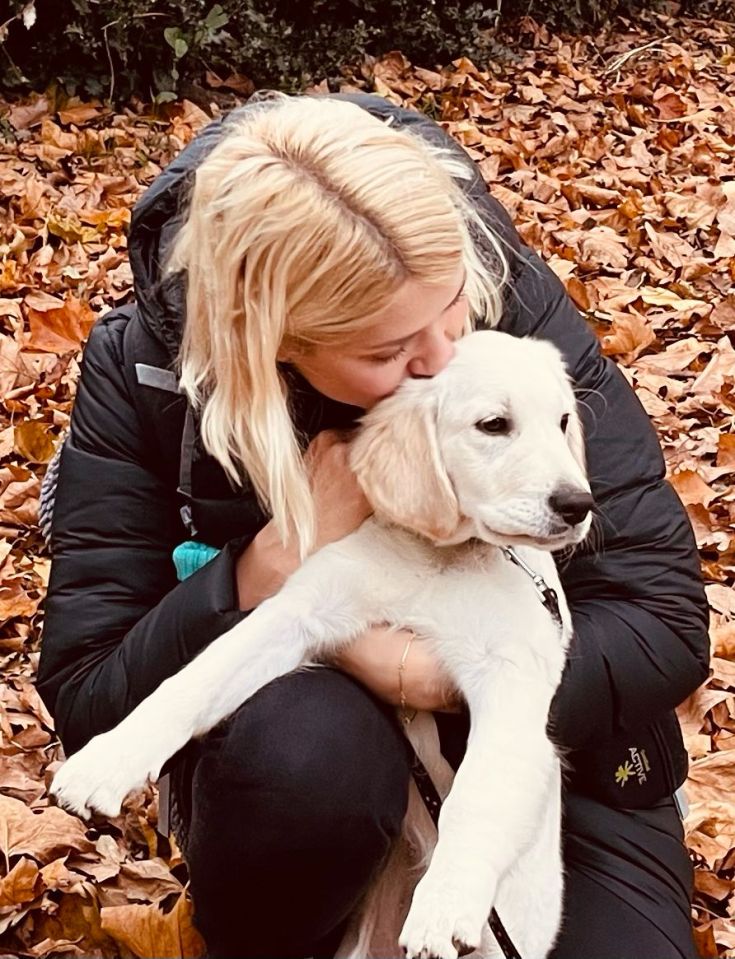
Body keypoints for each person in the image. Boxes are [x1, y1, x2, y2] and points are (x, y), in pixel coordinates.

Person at [37, 91, 709, 959]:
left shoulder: (516, 321)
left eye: (452, 310)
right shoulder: (142, 372)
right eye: (389, 352)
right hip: (308, 776)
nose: (439, 361)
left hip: (561, 752)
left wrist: (437, 673)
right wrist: (265, 566)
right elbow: (90, 697)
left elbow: (663, 616)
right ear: (273, 339)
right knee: (306, 754)